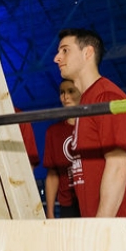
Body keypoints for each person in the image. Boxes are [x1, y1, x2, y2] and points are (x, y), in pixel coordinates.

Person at [53, 28, 126, 218]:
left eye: (65, 50)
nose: (56, 58)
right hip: (101, 224)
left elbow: (118, 167)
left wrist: (101, 227)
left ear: (87, 53)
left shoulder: (107, 97)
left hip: (120, 226)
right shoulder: (87, 102)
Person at [42, 79, 82, 218]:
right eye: (62, 92)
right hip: (68, 205)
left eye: (71, 91)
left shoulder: (94, 126)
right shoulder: (54, 132)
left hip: (92, 200)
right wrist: (50, 212)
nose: (65, 97)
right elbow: (52, 174)